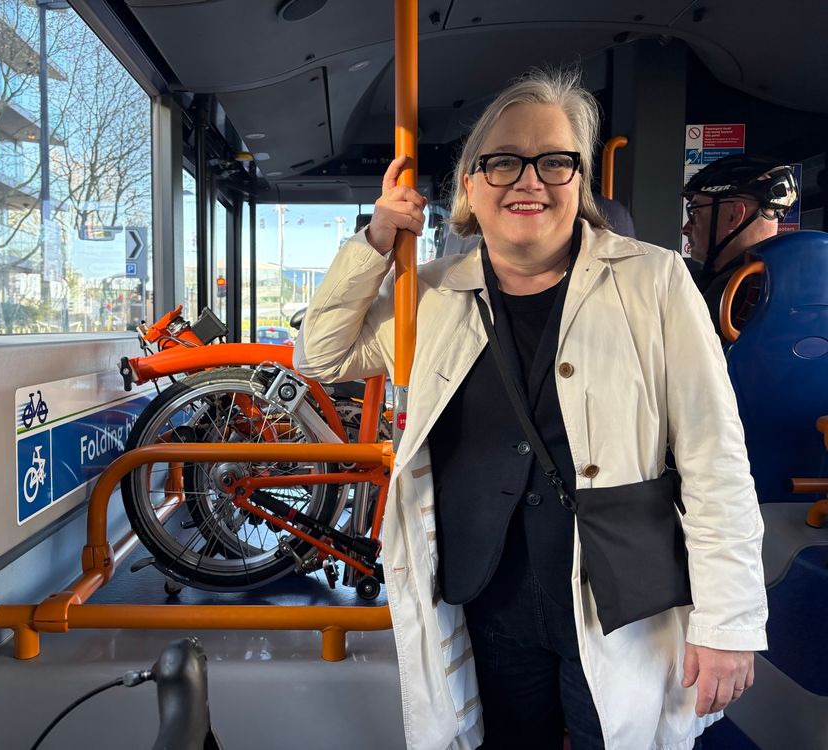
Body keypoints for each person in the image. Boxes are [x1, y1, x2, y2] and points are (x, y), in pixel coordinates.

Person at [294, 68, 766, 750]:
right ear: (470, 185)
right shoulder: (430, 295)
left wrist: (728, 623)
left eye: (554, 161)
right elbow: (321, 355)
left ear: (580, 181)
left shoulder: (654, 281)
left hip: (621, 602)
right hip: (487, 597)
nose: (529, 180)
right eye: (504, 161)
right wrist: (374, 242)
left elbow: (714, 459)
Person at [681, 155, 798, 337]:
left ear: (734, 215)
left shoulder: (730, 296)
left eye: (695, 213)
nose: (685, 228)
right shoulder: (791, 283)